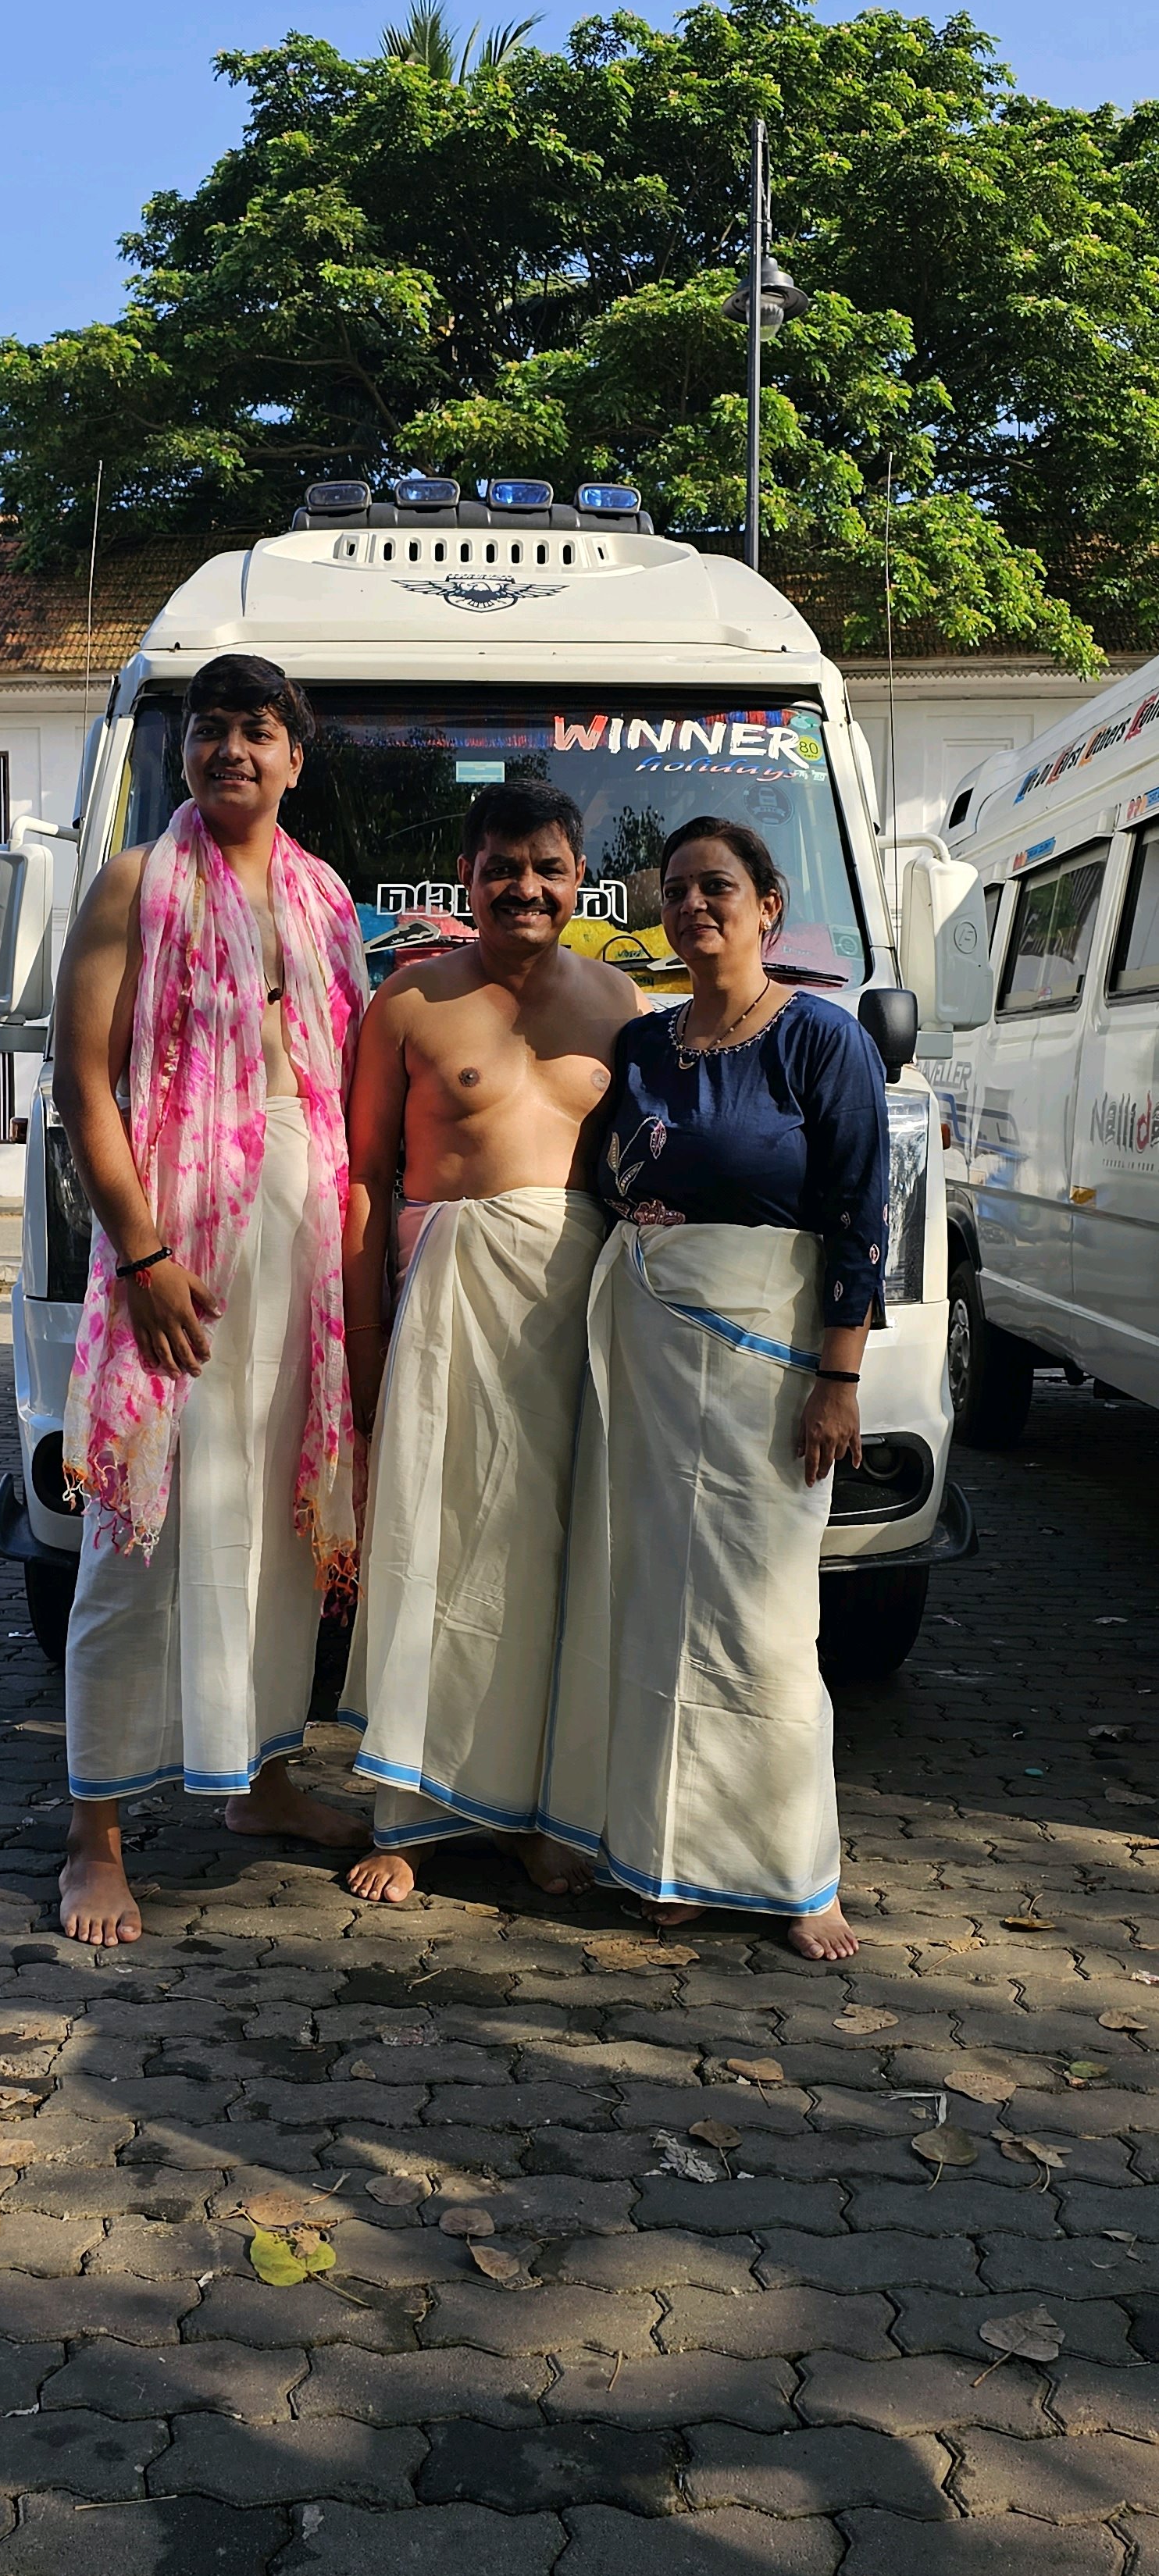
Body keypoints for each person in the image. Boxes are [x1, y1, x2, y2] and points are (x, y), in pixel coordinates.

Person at [53, 652, 369, 1946]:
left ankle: (264, 1780)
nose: (231, 748)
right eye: (211, 728)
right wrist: (140, 1260)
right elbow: (83, 1082)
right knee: (139, 1542)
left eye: (257, 730)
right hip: (173, 1250)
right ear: (184, 750)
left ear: (294, 756)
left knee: (278, 1532)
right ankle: (95, 1842)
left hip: (300, 1253)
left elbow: (345, 1077)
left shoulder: (325, 895)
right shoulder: (135, 882)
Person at [539, 814, 889, 1961]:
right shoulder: (644, 1046)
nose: (694, 905)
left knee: (765, 1619)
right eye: (677, 888)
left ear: (768, 906)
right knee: (653, 1605)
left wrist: (838, 1379)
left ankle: (796, 1873)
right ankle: (673, 1856)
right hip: (645, 1355)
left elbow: (860, 1218)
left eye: (718, 886)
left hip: (768, 1364)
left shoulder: (822, 1040)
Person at [341, 777, 640, 1906]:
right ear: (465, 877)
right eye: (502, 867)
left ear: (579, 879)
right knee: (436, 1544)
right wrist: (366, 1336)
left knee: (554, 1556)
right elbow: (364, 1181)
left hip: (578, 1308)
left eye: (548, 867)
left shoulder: (619, 1001)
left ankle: (536, 1813)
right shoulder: (409, 1002)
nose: (526, 887)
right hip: (447, 1307)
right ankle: (410, 1814)